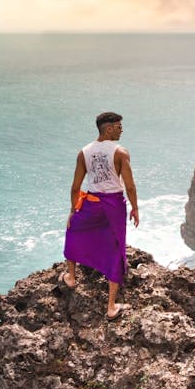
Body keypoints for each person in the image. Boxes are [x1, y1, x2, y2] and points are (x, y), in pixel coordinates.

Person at [61, 111, 140, 320]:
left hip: (92, 203)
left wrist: (73, 211)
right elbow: (130, 186)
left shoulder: (84, 153)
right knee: (116, 247)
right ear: (108, 128)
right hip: (113, 204)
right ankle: (111, 306)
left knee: (73, 230)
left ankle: (71, 276)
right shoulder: (120, 153)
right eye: (118, 126)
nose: (122, 129)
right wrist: (135, 208)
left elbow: (75, 187)